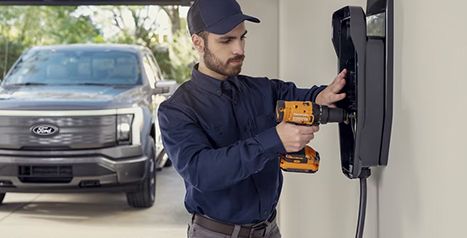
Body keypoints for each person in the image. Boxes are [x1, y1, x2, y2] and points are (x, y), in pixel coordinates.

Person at [158, 0, 347, 237]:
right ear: (198, 42)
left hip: (269, 230)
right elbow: (201, 172)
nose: (239, 49)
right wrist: (274, 140)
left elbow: (306, 96)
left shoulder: (261, 90)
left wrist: (323, 94)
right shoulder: (176, 110)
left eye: (242, 37)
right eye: (226, 40)